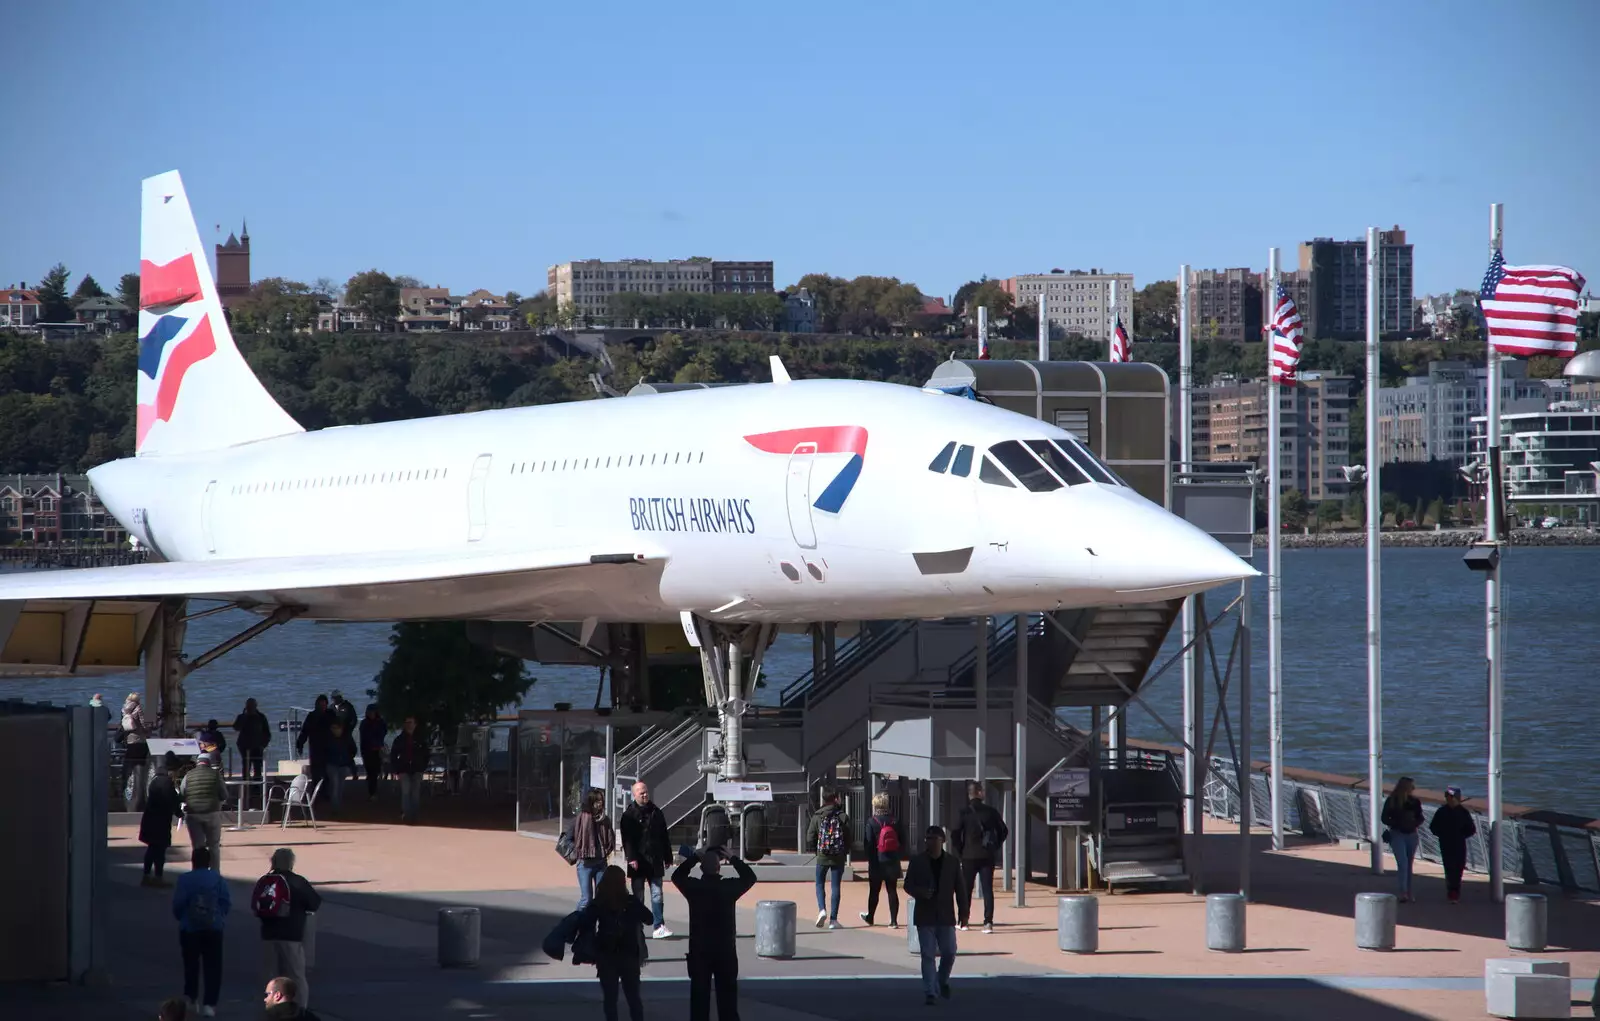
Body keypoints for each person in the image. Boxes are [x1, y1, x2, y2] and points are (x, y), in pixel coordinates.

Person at [672, 845, 756, 1021]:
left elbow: (677, 876)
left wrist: (694, 857)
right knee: (727, 1001)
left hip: (699, 948)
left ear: (702, 868)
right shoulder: (728, 888)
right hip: (725, 949)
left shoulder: (694, 888)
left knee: (699, 1000)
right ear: (719, 867)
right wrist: (733, 858)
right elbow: (750, 877)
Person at [583, 864, 654, 1021]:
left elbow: (586, 923)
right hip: (629, 953)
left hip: (606, 954)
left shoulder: (599, 903)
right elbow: (649, 919)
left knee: (610, 1000)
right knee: (634, 999)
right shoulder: (630, 902)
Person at [904, 825, 965, 1006]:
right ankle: (930, 991)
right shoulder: (917, 861)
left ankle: (942, 980)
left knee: (949, 952)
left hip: (946, 914)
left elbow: (960, 889)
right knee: (928, 955)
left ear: (942, 841)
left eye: (933, 839)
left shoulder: (952, 862)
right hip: (925, 915)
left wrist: (964, 913)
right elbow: (908, 885)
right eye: (927, 839)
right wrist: (921, 893)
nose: (929, 842)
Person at [254, 848, 321, 1010]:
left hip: (268, 934)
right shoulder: (297, 881)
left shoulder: (265, 881)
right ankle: (299, 1009)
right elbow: (314, 903)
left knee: (272, 976)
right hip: (291, 935)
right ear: (291, 862)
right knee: (296, 975)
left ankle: (272, 1008)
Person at [172, 846, 230, 1017]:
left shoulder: (185, 879)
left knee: (191, 964)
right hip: (213, 928)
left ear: (193, 861)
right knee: (213, 966)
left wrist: (181, 918)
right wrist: (219, 918)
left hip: (190, 928)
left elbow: (178, 904)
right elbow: (226, 902)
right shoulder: (218, 879)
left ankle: (191, 998)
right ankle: (210, 1004)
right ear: (209, 862)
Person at [620, 781, 673, 939]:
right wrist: (631, 858)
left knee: (657, 894)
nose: (644, 794)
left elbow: (664, 836)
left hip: (655, 859)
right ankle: (637, 926)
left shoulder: (656, 812)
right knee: (638, 896)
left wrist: (668, 856)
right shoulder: (628, 815)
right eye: (641, 792)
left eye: (646, 791)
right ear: (634, 795)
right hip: (638, 861)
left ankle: (659, 926)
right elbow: (627, 840)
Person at [952, 781, 1008, 932]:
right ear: (978, 793)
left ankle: (963, 921)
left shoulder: (964, 812)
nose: (984, 793)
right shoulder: (991, 811)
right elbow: (1004, 830)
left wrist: (960, 851)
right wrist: (995, 846)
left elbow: (955, 834)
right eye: (982, 791)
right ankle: (988, 922)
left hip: (968, 856)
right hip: (987, 856)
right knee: (987, 889)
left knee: (966, 889)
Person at [805, 787, 851, 929]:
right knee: (835, 886)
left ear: (823, 799)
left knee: (819, 884)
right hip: (838, 856)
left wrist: (817, 851)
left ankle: (822, 910)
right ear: (835, 798)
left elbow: (809, 837)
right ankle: (833, 920)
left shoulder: (817, 815)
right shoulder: (843, 816)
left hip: (822, 856)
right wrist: (844, 852)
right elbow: (849, 838)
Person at [140, 751, 184, 886]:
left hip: (150, 819)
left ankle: (147, 876)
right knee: (159, 851)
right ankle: (158, 877)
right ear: (171, 769)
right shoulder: (166, 782)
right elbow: (172, 801)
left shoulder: (155, 779)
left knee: (152, 849)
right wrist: (180, 813)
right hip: (160, 822)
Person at [859, 792, 903, 928]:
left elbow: (868, 843)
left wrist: (870, 859)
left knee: (874, 891)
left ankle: (870, 916)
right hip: (892, 860)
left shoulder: (872, 822)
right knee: (892, 890)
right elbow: (903, 840)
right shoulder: (895, 821)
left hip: (877, 862)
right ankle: (894, 921)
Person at [1429, 785, 1477, 903]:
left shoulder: (1463, 812)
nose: (1448, 799)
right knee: (1449, 867)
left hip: (1459, 843)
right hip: (1446, 843)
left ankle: (1456, 890)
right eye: (1447, 796)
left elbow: (1471, 829)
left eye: (1451, 796)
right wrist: (1442, 835)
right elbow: (1433, 827)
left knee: (1459, 866)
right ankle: (1452, 892)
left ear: (1457, 798)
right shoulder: (1441, 811)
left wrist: (1461, 836)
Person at [1381, 776, 1425, 903]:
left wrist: (1413, 823)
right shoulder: (1392, 801)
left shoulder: (1414, 802)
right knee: (1403, 863)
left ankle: (1409, 892)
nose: (1413, 789)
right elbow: (1384, 818)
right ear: (1405, 787)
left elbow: (1420, 817)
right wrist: (1396, 822)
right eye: (1411, 786)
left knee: (1408, 864)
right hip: (1397, 833)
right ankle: (1403, 892)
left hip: (1412, 835)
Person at [181, 752, 225, 869]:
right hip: (212, 813)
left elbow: (182, 794)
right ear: (209, 763)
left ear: (197, 762)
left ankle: (197, 871)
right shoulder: (216, 775)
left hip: (193, 815)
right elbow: (224, 794)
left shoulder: (188, 775)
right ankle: (215, 873)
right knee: (214, 846)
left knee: (197, 846)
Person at [573, 789, 615, 910]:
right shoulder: (581, 818)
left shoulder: (605, 819)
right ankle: (576, 923)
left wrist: (607, 850)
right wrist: (578, 850)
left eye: (601, 800)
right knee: (586, 899)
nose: (600, 803)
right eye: (597, 801)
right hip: (585, 864)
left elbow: (610, 838)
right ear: (590, 802)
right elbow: (569, 837)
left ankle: (597, 927)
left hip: (601, 863)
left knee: (601, 898)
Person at [232, 698, 273, 808]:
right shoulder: (242, 717)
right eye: (248, 706)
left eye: (252, 705)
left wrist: (263, 744)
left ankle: (256, 789)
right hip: (244, 746)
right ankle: (246, 787)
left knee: (257, 768)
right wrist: (244, 716)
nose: (250, 708)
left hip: (257, 746)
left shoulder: (261, 717)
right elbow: (236, 727)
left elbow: (267, 733)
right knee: (246, 767)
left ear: (256, 706)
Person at [390, 716, 429, 824]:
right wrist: (397, 769)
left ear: (415, 724)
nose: (408, 725)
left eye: (410, 722)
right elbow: (393, 755)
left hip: (417, 769)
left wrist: (422, 767)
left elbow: (426, 754)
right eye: (406, 722)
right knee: (406, 792)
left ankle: (415, 815)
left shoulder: (420, 739)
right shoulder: (399, 739)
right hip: (403, 769)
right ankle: (406, 815)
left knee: (415, 792)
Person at [294, 695, 332, 795]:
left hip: (329, 747)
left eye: (324, 705)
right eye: (320, 705)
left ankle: (326, 792)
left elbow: (338, 729)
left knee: (328, 771)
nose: (322, 707)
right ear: (317, 705)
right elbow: (305, 731)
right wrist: (300, 744)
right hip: (316, 747)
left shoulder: (331, 715)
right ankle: (316, 792)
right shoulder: (312, 716)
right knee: (316, 772)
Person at [122, 692, 153, 811]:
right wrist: (148, 729)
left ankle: (129, 789)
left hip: (129, 740)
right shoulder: (138, 708)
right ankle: (142, 792)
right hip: (139, 740)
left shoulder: (124, 708)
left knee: (131, 764)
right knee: (142, 764)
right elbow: (143, 723)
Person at [322, 721, 356, 812]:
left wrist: (348, 758)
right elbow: (323, 751)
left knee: (340, 785)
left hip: (344, 765)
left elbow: (353, 749)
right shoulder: (328, 739)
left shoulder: (347, 738)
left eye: (336, 728)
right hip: (332, 764)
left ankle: (338, 804)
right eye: (333, 728)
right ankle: (335, 807)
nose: (335, 730)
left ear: (341, 728)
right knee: (335, 784)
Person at [358, 704, 388, 800]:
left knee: (376, 771)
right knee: (371, 772)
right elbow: (364, 738)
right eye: (369, 712)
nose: (371, 714)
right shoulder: (364, 723)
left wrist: (378, 744)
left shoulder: (381, 722)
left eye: (373, 712)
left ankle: (374, 790)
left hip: (377, 751)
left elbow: (383, 733)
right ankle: (372, 792)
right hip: (367, 751)